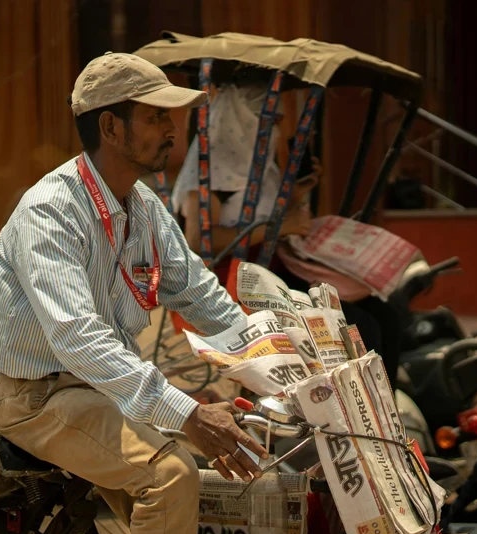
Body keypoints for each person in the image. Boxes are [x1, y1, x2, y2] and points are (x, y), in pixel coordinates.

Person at [0, 52, 269, 534]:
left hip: (105, 391)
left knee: (227, 468)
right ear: (112, 127)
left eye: (170, 117)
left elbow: (203, 296)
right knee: (170, 476)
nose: (171, 129)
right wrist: (186, 413)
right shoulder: (50, 211)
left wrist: (276, 364)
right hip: (41, 400)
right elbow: (77, 338)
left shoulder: (145, 208)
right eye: (156, 116)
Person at [170, 84, 403, 382]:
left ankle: (386, 412)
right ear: (241, 122)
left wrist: (295, 195)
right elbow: (199, 242)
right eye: (271, 124)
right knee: (359, 327)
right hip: (236, 281)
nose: (276, 132)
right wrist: (278, 228)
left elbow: (272, 217)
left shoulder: (261, 168)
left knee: (385, 315)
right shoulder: (209, 176)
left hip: (277, 270)